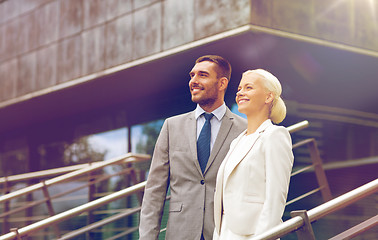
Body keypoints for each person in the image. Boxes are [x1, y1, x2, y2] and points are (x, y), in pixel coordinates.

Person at [139, 55, 247, 240]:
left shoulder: (245, 129)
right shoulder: (171, 127)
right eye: (192, 75)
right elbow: (154, 191)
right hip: (180, 232)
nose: (193, 81)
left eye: (202, 75)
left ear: (222, 83)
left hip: (225, 233)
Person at [213, 69, 294, 240]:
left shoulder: (275, 135)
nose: (240, 92)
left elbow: (275, 198)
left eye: (248, 87)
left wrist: (263, 237)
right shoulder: (237, 142)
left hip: (253, 235)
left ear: (268, 97)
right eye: (239, 88)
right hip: (226, 234)